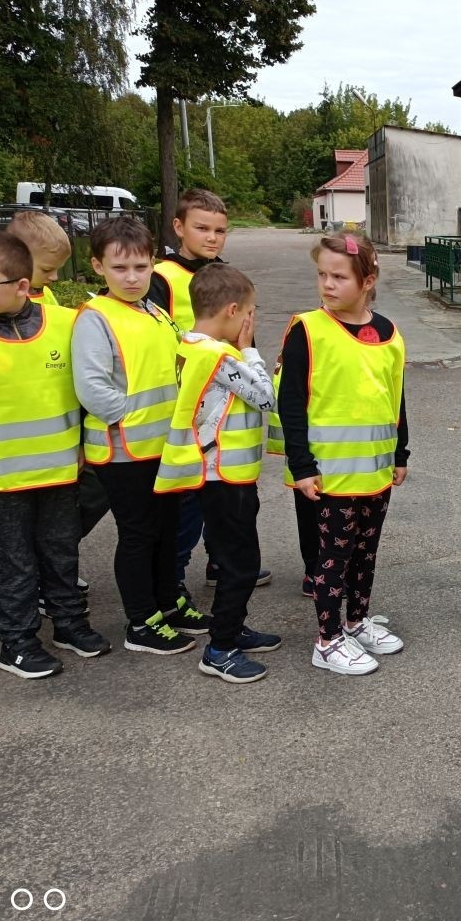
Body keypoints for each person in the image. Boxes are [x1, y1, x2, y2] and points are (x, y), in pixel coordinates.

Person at [0, 232, 109, 677]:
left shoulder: (68, 323)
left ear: (21, 284)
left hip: (61, 469)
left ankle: (69, 624)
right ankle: (16, 643)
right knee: (13, 561)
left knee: (60, 550)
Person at [269, 232, 407, 676]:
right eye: (322, 275)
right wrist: (301, 465)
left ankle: (357, 620)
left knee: (367, 552)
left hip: (376, 472)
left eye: (339, 277)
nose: (327, 285)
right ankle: (327, 640)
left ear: (367, 280)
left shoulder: (388, 334)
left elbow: (396, 397)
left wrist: (400, 451)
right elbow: (290, 402)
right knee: (333, 557)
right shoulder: (307, 330)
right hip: (329, 475)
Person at [72, 216, 207, 655]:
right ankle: (141, 622)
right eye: (120, 268)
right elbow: (93, 387)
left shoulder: (155, 311)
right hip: (124, 451)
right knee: (139, 534)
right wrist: (130, 417)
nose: (132, 278)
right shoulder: (96, 317)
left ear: (153, 265)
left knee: (167, 531)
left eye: (140, 268)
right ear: (98, 267)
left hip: (163, 446)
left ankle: (169, 603)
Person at [153, 264, 279, 683]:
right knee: (241, 563)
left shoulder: (189, 343)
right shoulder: (220, 354)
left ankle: (233, 628)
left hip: (218, 473)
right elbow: (265, 397)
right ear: (232, 310)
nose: (251, 319)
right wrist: (251, 350)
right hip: (226, 476)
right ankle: (220, 648)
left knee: (232, 558)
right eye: (250, 312)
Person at [150, 188, 271, 600]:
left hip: (232, 400)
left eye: (220, 230)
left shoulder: (223, 275)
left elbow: (242, 329)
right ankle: (173, 585)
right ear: (179, 227)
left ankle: (223, 564)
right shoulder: (161, 277)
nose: (212, 237)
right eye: (202, 228)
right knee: (189, 507)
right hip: (193, 405)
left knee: (235, 502)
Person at [7, 209, 107, 608]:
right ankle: (42, 579)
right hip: (24, 446)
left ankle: (53, 572)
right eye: (49, 268)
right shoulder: (1, 308)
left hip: (63, 436)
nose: (55, 278)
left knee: (71, 511)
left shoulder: (44, 299)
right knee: (36, 523)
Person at [6, 209, 70, 306]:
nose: (55, 277)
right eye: (46, 269)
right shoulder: (2, 301)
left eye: (57, 269)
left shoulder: (45, 293)